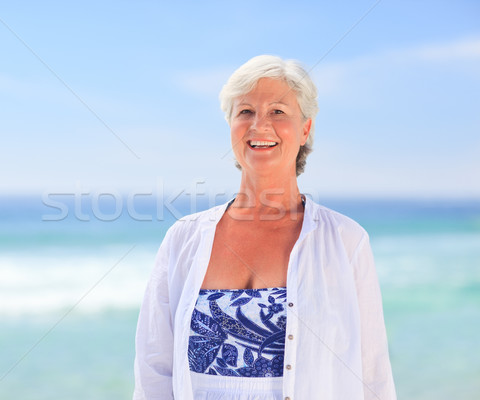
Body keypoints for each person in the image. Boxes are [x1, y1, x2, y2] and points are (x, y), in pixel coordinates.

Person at [133, 55, 397, 400]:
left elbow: (372, 374)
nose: (260, 125)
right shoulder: (184, 238)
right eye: (245, 112)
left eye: (278, 111)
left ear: (305, 129)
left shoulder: (346, 241)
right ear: (231, 126)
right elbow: (154, 369)